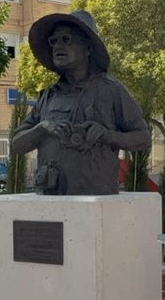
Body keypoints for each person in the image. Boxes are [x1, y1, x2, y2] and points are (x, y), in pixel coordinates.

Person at [10, 10, 150, 195]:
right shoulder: (48, 96)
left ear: (88, 48)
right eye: (53, 41)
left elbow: (143, 138)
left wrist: (108, 135)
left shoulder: (111, 90)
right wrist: (43, 128)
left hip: (95, 196)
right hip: (51, 198)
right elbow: (17, 144)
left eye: (66, 39)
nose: (58, 46)